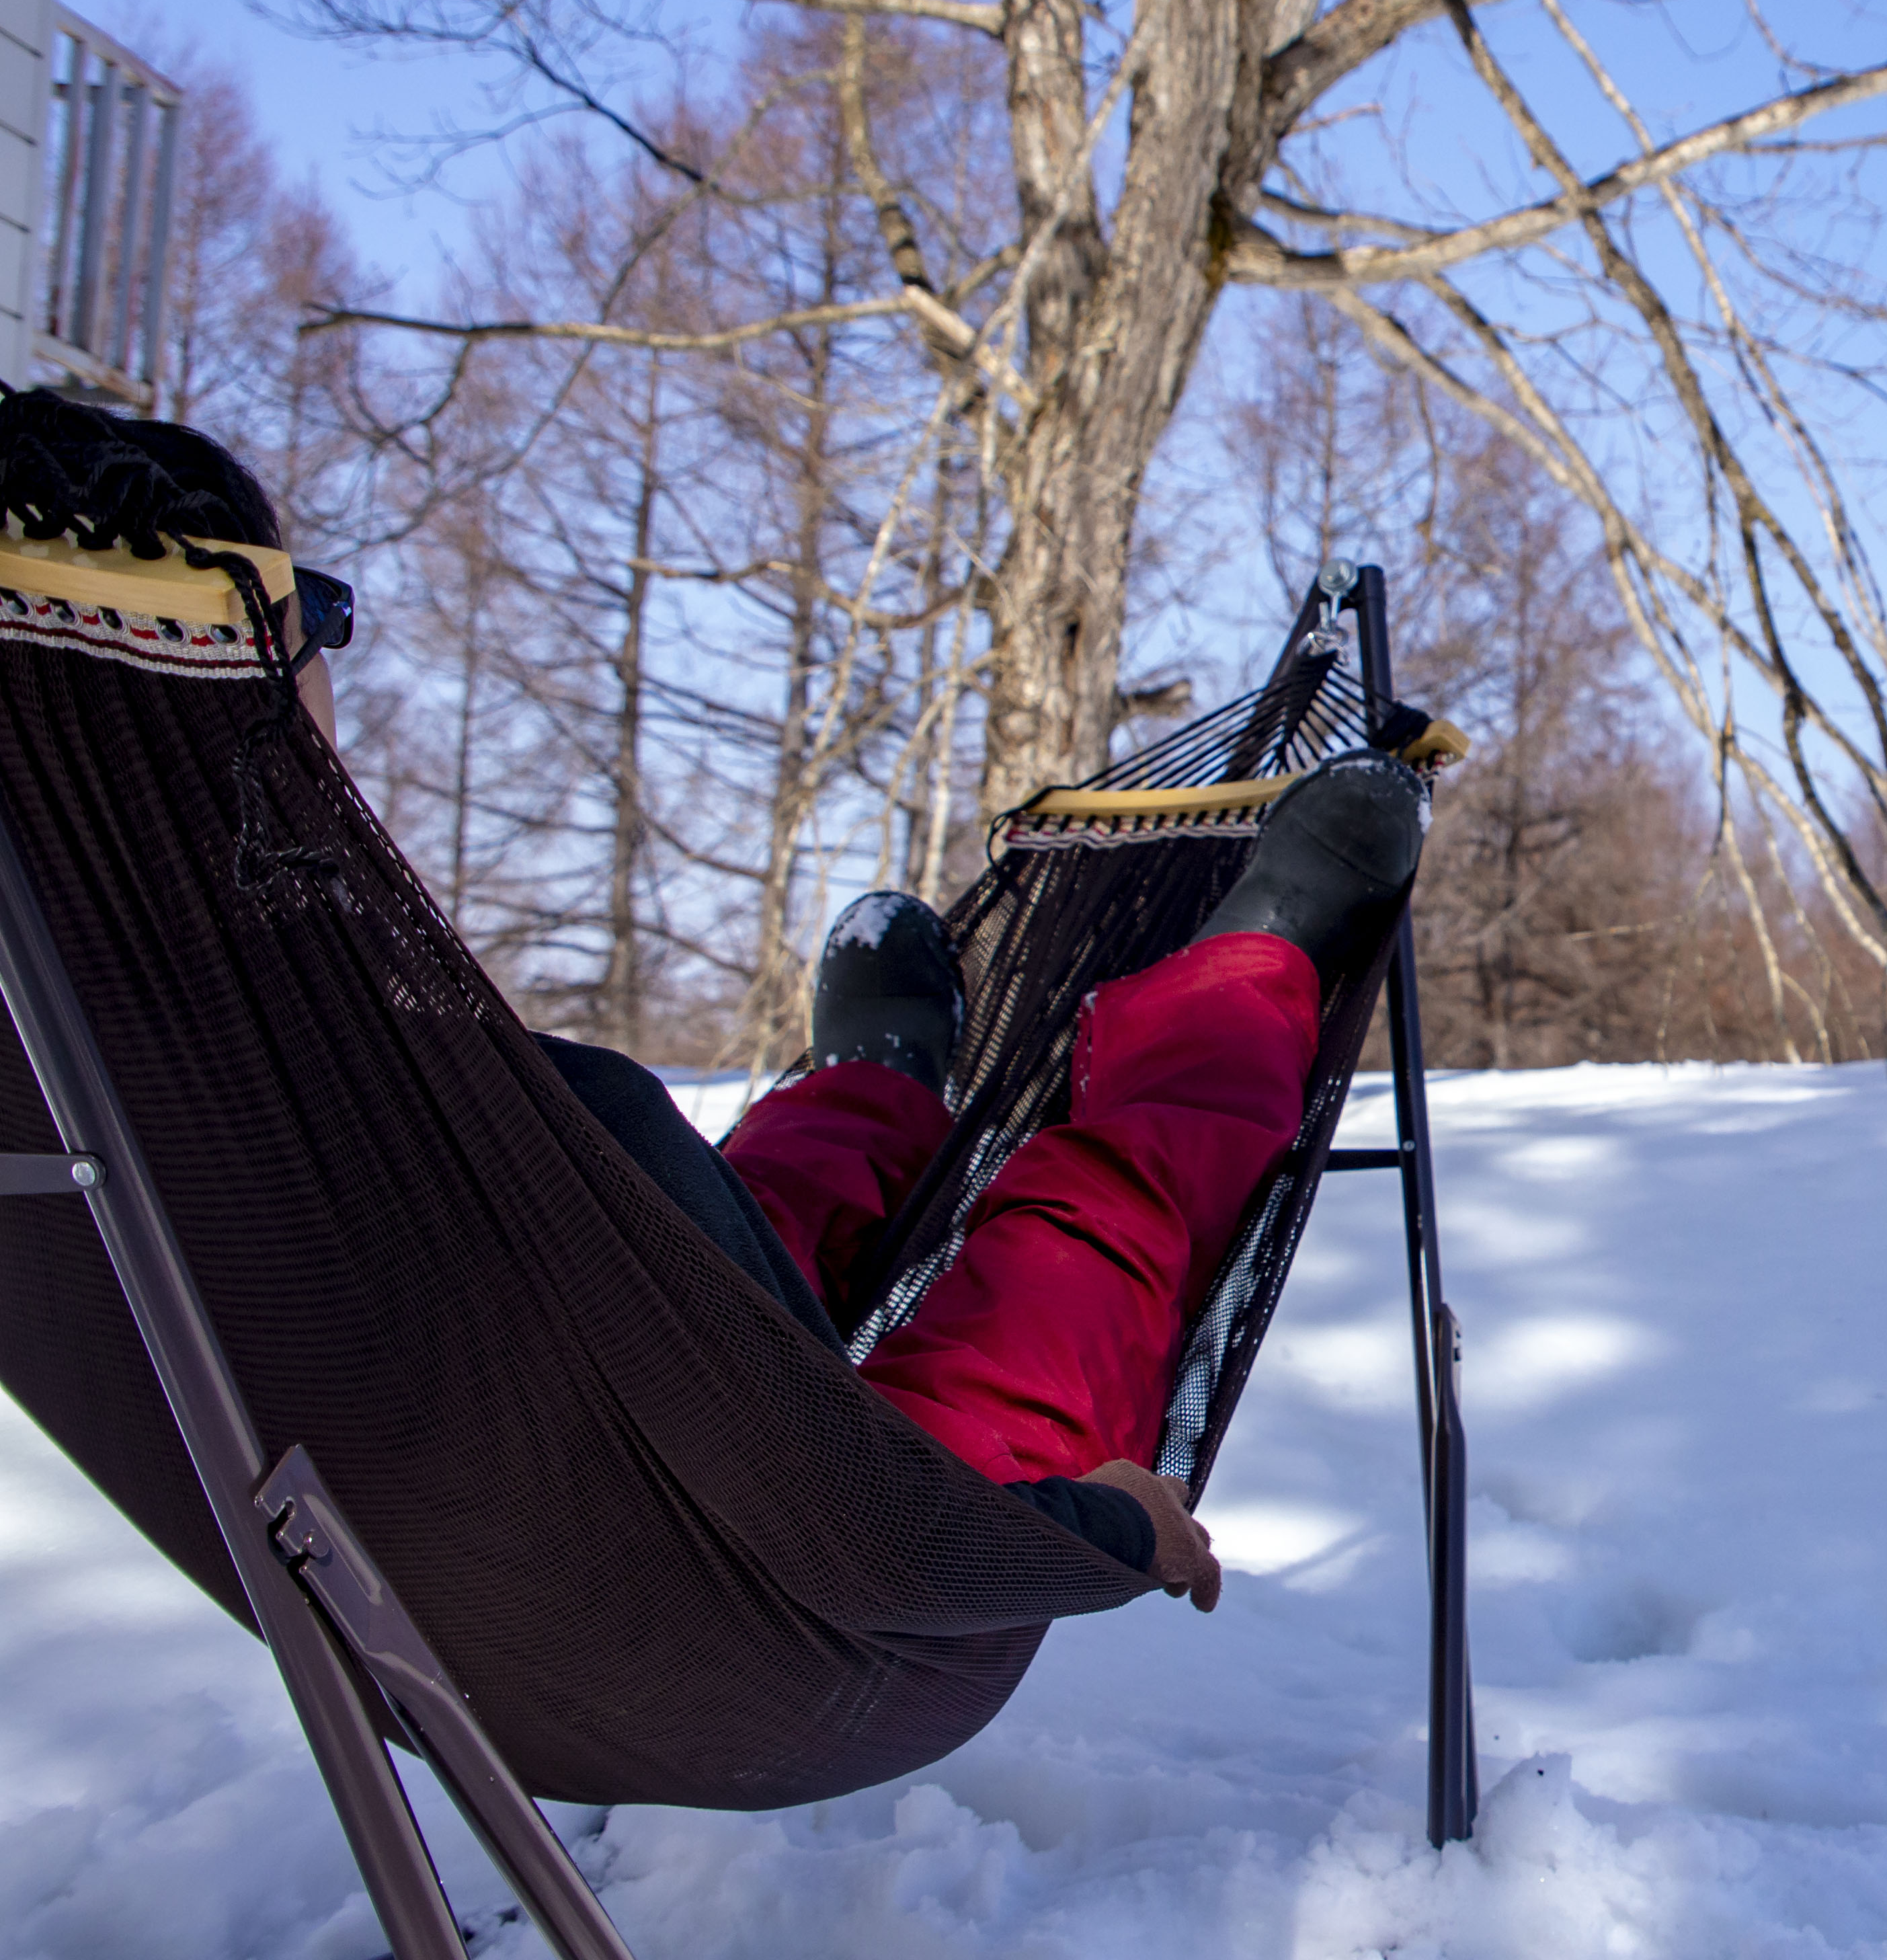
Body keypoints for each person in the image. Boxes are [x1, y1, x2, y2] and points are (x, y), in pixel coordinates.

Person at [0, 390, 1425, 1612]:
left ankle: (873, 1096)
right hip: (761, 1586)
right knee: (1091, 1229)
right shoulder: (348, 1077)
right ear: (228, 681)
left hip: (461, 1546)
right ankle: (1247, 981)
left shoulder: (88, 1074)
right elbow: (897, 1538)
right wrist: (1107, 1527)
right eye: (316, 621)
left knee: (719, 1215)